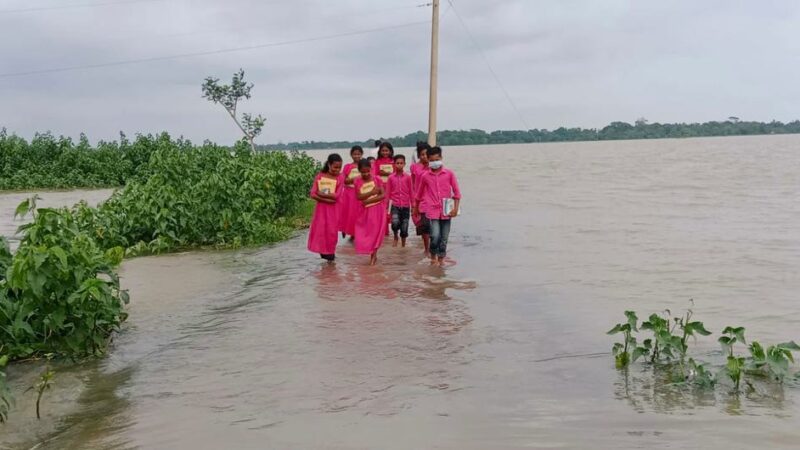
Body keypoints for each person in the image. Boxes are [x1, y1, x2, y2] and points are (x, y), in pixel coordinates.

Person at [413, 146, 461, 266]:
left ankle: (441, 259)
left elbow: (457, 193)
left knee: (444, 237)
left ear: (441, 158)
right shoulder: (425, 176)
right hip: (432, 211)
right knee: (434, 235)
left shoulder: (449, 174)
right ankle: (433, 255)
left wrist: (455, 209)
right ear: (428, 160)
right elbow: (418, 194)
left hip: (447, 211)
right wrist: (416, 209)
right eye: (432, 160)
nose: (435, 162)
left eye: (437, 159)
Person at [308, 153, 344, 262]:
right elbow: (313, 194)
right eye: (335, 167)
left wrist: (321, 194)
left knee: (332, 232)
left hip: (334, 210)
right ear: (329, 164)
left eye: (339, 167)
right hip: (321, 210)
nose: (337, 170)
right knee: (321, 231)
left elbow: (337, 196)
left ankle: (331, 255)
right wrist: (328, 199)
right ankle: (324, 254)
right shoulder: (320, 176)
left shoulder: (341, 177)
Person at [354, 159, 387, 265]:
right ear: (359, 171)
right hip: (365, 211)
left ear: (371, 169)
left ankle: (374, 256)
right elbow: (359, 196)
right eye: (363, 172)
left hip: (378, 210)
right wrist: (372, 193)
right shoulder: (357, 181)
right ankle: (369, 251)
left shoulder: (377, 179)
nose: (366, 174)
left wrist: (368, 200)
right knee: (364, 233)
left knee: (376, 233)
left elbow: (383, 195)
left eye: (368, 171)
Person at [338, 145, 363, 239]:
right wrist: (356, 179)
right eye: (354, 154)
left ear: (362, 154)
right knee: (349, 213)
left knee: (360, 213)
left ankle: (357, 232)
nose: (356, 156)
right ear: (351, 155)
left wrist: (352, 179)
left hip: (361, 193)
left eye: (358, 154)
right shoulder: (347, 166)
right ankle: (348, 230)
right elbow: (344, 180)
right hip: (349, 193)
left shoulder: (364, 165)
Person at [388, 154, 412, 247]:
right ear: (394, 164)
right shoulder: (391, 177)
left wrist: (413, 205)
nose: (399, 165)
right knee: (394, 223)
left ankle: (403, 244)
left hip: (406, 205)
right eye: (397, 163)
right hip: (395, 205)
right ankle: (395, 236)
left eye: (401, 163)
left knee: (404, 226)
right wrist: (386, 207)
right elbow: (388, 193)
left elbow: (411, 192)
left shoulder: (408, 177)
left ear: (404, 164)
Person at [411, 142, 431, 255]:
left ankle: (434, 247)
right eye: (422, 154)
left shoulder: (434, 166)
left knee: (433, 224)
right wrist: (413, 202)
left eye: (426, 154)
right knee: (423, 225)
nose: (424, 157)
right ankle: (426, 249)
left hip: (432, 198)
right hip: (420, 199)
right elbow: (413, 183)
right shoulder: (415, 167)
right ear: (419, 155)